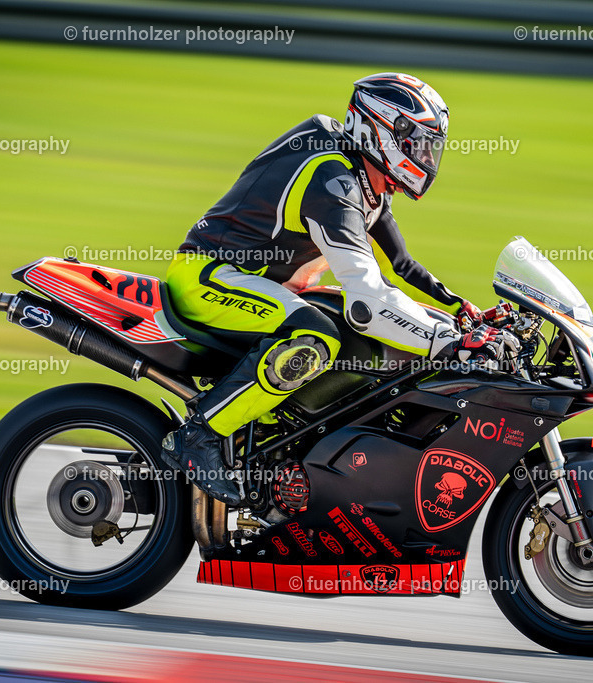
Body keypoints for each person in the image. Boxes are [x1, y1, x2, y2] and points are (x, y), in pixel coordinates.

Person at [160, 72, 516, 504]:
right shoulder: (332, 179)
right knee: (314, 337)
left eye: (430, 146)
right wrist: (450, 345)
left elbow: (400, 265)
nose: (427, 156)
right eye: (419, 143)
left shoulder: (365, 180)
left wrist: (460, 311)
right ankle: (200, 436)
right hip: (211, 277)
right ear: (382, 129)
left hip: (258, 285)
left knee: (365, 341)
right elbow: (366, 299)